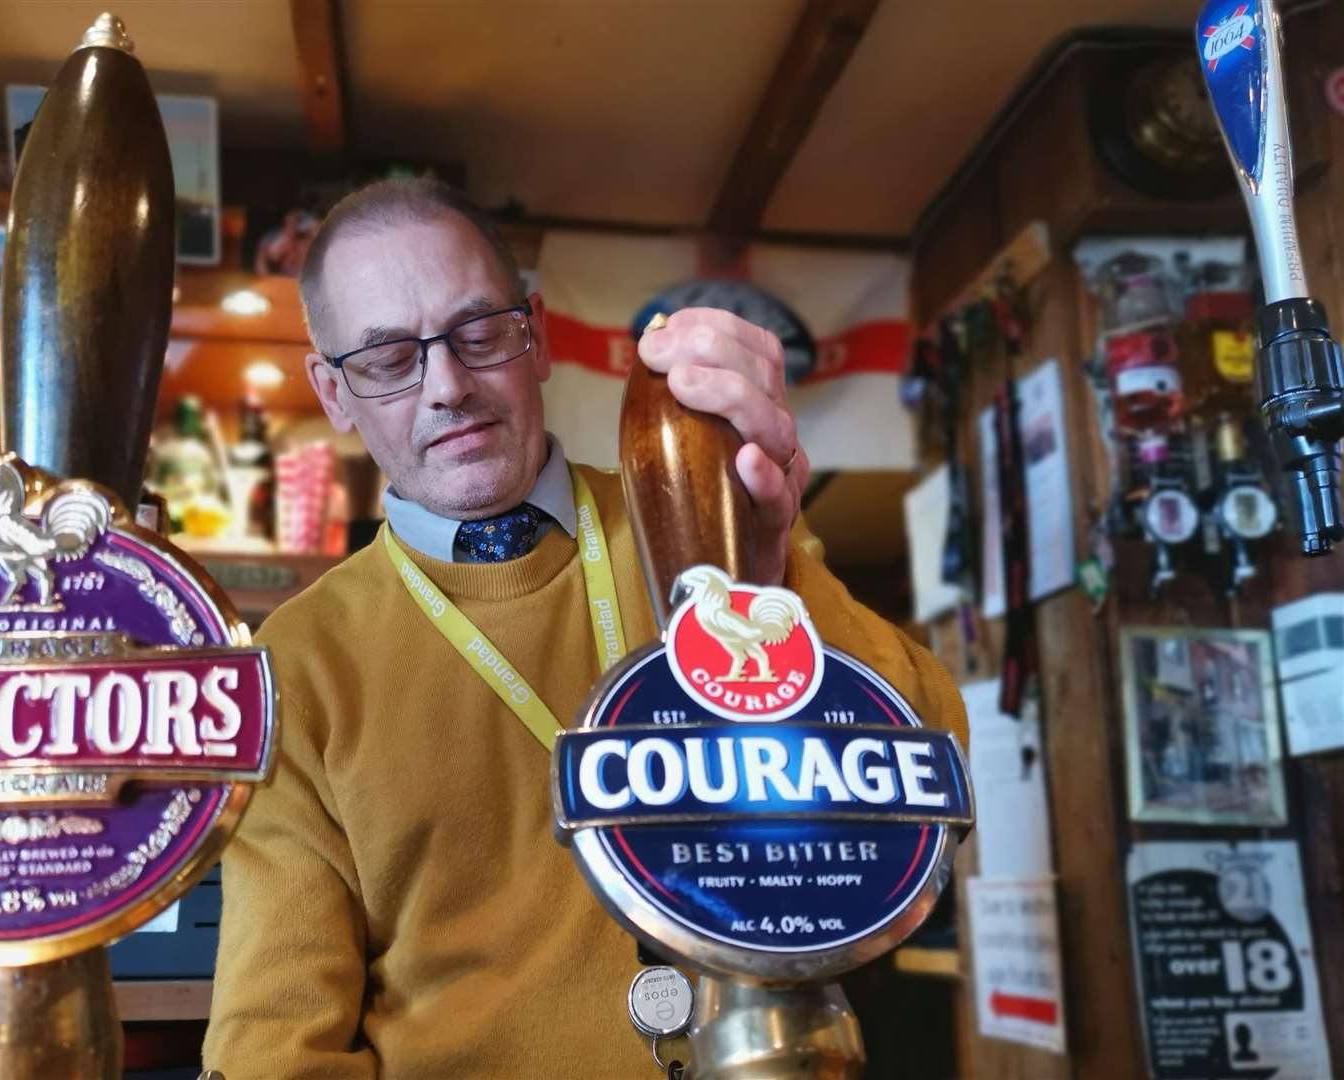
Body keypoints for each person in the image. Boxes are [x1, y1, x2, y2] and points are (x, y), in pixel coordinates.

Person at [202, 178, 968, 1079]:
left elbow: (936, 779)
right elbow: (274, 1046)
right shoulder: (294, 664)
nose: (445, 387)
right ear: (334, 393)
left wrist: (775, 577)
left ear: (538, 338)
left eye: (478, 333)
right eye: (385, 359)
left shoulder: (708, 517)